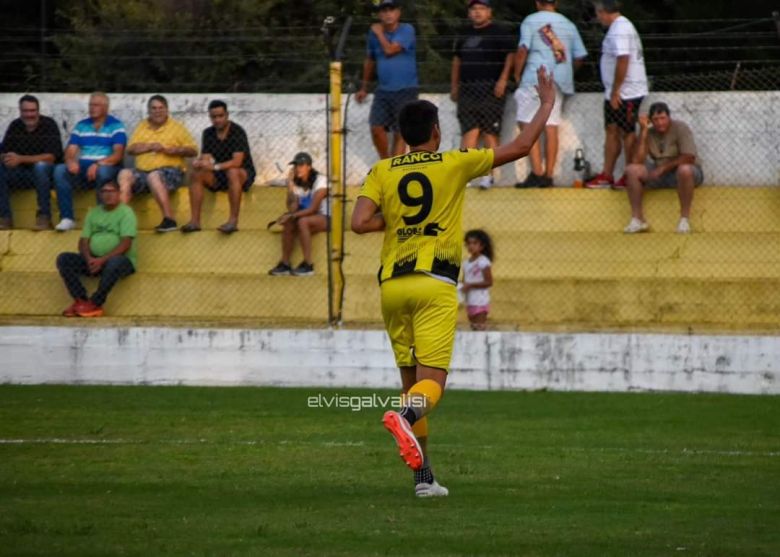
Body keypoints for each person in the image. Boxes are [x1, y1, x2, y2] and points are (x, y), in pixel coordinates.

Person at [351, 67, 556, 498]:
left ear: (404, 135)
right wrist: (547, 105)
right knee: (432, 385)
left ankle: (423, 479)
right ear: (437, 131)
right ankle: (403, 420)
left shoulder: (383, 170)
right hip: (434, 283)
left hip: (392, 286)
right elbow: (520, 146)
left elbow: (359, 223)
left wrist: (403, 221)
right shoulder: (453, 161)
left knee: (411, 386)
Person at [513, 0, 587, 188]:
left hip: (534, 77)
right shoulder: (568, 24)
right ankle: (549, 175)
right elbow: (580, 56)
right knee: (551, 125)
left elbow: (522, 50)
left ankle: (537, 172)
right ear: (557, 3)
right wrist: (566, 71)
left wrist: (516, 73)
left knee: (527, 124)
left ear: (537, 3)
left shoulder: (530, 20)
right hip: (559, 80)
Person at [451, 0, 515, 189]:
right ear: (469, 13)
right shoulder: (464, 34)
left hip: (491, 90)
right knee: (469, 132)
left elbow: (510, 56)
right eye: (473, 9)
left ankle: (488, 176)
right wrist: (454, 86)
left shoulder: (499, 32)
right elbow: (456, 60)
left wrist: (503, 79)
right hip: (467, 89)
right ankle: (466, 175)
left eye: (481, 8)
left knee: (489, 132)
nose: (477, 12)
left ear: (489, 12)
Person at [585, 0, 648, 190]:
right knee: (612, 129)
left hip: (626, 92)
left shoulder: (620, 28)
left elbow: (623, 59)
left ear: (603, 12)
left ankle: (630, 175)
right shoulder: (616, 28)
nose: (597, 17)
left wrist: (616, 90)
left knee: (627, 131)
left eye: (598, 13)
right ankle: (607, 175)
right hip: (616, 91)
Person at [56, 181, 137, 318]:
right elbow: (83, 240)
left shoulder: (126, 212)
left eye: (111, 191)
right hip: (94, 260)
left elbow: (126, 243)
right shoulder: (93, 212)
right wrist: (89, 259)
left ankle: (95, 303)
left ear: (118, 194)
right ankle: (81, 301)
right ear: (100, 194)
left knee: (115, 262)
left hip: (121, 262)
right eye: (104, 191)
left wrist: (102, 260)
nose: (108, 195)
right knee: (64, 259)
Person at [118, 95, 198, 232]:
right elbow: (131, 149)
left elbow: (193, 151)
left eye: (161, 108)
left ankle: (170, 220)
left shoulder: (177, 127)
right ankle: (119, 220)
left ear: (167, 110)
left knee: (154, 176)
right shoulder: (142, 126)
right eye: (154, 108)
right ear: (149, 110)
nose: (157, 111)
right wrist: (148, 147)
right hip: (143, 173)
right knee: (124, 173)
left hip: (171, 172)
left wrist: (171, 150)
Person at [623, 102, 703, 234]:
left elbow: (689, 157)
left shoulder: (680, 128)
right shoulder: (649, 131)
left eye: (663, 118)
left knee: (684, 170)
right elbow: (637, 160)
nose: (660, 123)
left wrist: (663, 168)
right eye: (656, 120)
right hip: (661, 173)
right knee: (632, 170)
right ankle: (638, 220)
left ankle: (684, 220)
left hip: (686, 174)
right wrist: (643, 131)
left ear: (669, 117)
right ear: (651, 120)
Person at [53, 92, 127, 231]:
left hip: (107, 166)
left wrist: (98, 164)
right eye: (90, 105)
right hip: (84, 168)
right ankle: (67, 218)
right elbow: (70, 151)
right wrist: (70, 161)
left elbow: (118, 155)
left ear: (106, 107)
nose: (92, 108)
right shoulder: (81, 125)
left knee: (103, 171)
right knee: (59, 170)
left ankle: (101, 217)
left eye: (96, 105)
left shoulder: (116, 126)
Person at [355, 0, 419, 159]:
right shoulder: (373, 34)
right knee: (376, 128)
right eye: (384, 11)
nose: (388, 14)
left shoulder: (407, 29)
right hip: (383, 89)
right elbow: (370, 60)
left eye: (391, 10)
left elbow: (390, 50)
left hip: (406, 88)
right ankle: (386, 164)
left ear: (399, 12)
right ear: (379, 14)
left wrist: (379, 33)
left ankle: (395, 168)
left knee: (401, 130)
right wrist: (364, 87)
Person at [181, 100, 256, 234]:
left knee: (232, 172)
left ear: (227, 115)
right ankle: (194, 222)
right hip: (220, 174)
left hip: (242, 174)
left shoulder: (237, 131)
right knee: (195, 174)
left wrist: (214, 166)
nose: (217, 120)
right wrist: (200, 162)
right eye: (213, 117)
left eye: (220, 116)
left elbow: (237, 162)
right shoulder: (208, 133)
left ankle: (232, 221)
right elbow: (207, 157)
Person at [0, 94, 63, 230]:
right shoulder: (15, 126)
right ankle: (5, 218)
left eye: (33, 111)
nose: (29, 114)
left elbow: (51, 157)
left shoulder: (48, 125)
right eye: (26, 111)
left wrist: (20, 159)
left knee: (40, 167)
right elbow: (5, 150)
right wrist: (7, 157)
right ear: (20, 111)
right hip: (22, 175)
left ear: (38, 111)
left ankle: (44, 216)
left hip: (46, 176)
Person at [268, 152, 329, 277]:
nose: (298, 168)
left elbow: (314, 208)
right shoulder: (297, 182)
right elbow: (292, 208)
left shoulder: (321, 181)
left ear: (309, 167)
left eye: (301, 165)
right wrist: (290, 185)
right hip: (309, 217)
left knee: (302, 221)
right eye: (296, 166)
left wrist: (292, 215)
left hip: (327, 217)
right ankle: (285, 264)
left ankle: (308, 265)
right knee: (290, 222)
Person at [460, 229, 494, 330]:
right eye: (469, 243)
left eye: (475, 243)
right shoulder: (465, 263)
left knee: (479, 327)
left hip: (480, 300)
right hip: (470, 300)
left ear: (482, 246)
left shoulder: (483, 262)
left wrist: (470, 285)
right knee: (473, 327)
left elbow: (489, 282)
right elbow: (465, 280)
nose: (471, 246)